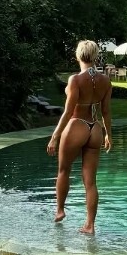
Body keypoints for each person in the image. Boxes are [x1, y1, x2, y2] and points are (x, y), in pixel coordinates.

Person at [46, 40, 112, 232]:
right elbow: (106, 112)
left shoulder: (75, 80)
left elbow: (68, 112)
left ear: (78, 55)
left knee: (63, 171)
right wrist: (108, 135)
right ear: (95, 56)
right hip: (95, 129)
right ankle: (90, 225)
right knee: (90, 181)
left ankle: (60, 210)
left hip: (77, 125)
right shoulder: (105, 80)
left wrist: (55, 136)